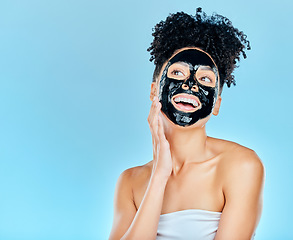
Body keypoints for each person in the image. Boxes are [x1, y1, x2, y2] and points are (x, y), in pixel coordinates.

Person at [109, 8, 265, 240]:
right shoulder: (130, 182)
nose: (190, 84)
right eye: (177, 72)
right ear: (154, 90)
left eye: (205, 79)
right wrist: (159, 176)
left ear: (217, 104)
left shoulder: (241, 166)